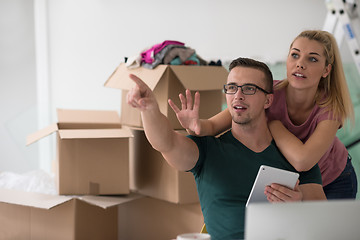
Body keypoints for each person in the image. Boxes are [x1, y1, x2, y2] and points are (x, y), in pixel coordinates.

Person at [127, 57, 326, 240]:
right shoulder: (207, 149)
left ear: (268, 100)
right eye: (232, 87)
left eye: (249, 88)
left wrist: (299, 206)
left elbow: (324, 222)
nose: (238, 95)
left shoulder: (295, 154)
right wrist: (150, 109)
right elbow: (166, 142)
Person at [170, 30, 357, 199]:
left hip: (334, 179)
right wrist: (197, 126)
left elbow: (303, 161)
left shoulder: (330, 109)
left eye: (312, 59)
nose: (300, 64)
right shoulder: (266, 92)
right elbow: (213, 125)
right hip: (289, 180)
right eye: (295, 55)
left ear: (326, 70)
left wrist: (274, 125)